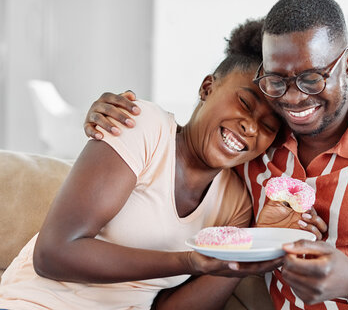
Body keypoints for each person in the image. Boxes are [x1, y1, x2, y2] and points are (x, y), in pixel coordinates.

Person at [85, 0, 348, 310]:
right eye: (276, 80)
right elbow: (188, 147)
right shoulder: (257, 150)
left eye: (311, 77)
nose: (293, 98)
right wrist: (113, 115)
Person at [0, 19, 324, 310]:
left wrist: (252, 248)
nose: (251, 127)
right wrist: (191, 262)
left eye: (269, 126)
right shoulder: (142, 126)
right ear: (207, 87)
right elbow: (54, 254)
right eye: (244, 103)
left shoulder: (235, 201)